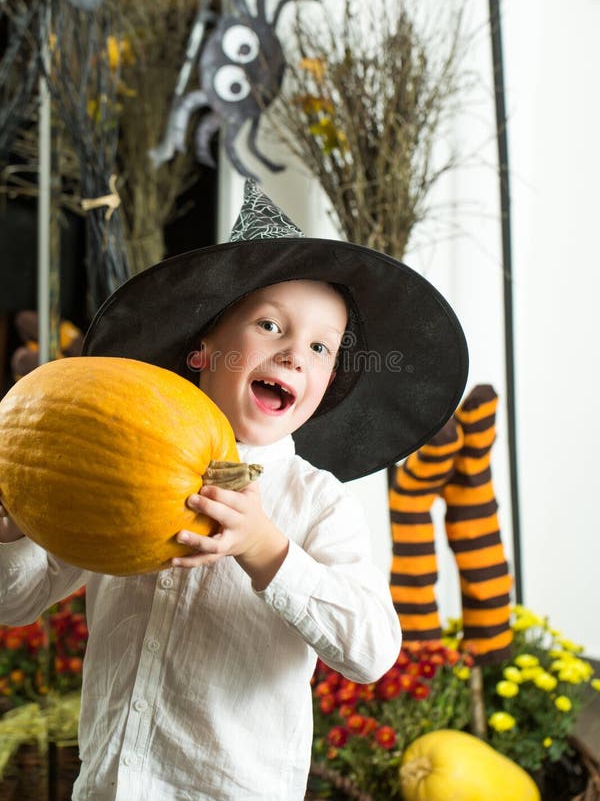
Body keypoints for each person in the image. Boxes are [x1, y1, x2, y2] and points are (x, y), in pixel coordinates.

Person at [0, 180, 468, 800]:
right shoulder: (111, 467)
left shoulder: (315, 503)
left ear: (326, 384)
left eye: (320, 346)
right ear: (204, 348)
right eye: (270, 325)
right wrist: (16, 527)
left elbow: (372, 651)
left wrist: (268, 550)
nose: (294, 354)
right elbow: (13, 603)